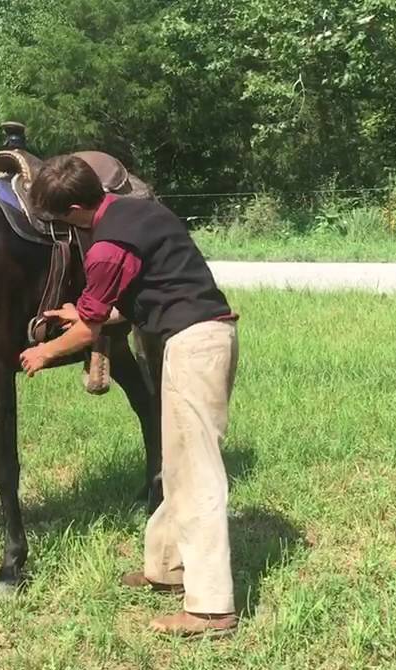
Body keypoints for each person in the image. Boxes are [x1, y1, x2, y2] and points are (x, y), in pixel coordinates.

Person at [18, 155, 240, 637]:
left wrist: (45, 353)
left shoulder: (105, 247)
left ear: (75, 209)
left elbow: (90, 332)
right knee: (178, 461)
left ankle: (211, 608)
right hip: (201, 336)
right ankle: (165, 568)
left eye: (58, 220)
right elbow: (141, 289)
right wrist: (80, 308)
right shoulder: (139, 211)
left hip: (192, 346)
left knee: (198, 471)